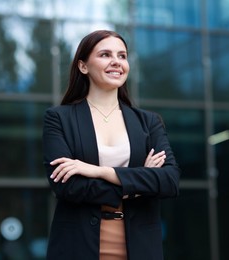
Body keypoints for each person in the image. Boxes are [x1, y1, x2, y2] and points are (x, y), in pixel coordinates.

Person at [42, 30, 181, 260]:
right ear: (83, 66)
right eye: (105, 55)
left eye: (122, 56)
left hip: (140, 247)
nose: (116, 62)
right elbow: (68, 186)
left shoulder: (148, 122)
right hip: (77, 246)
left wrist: (99, 171)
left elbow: (169, 181)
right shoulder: (59, 118)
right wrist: (139, 183)